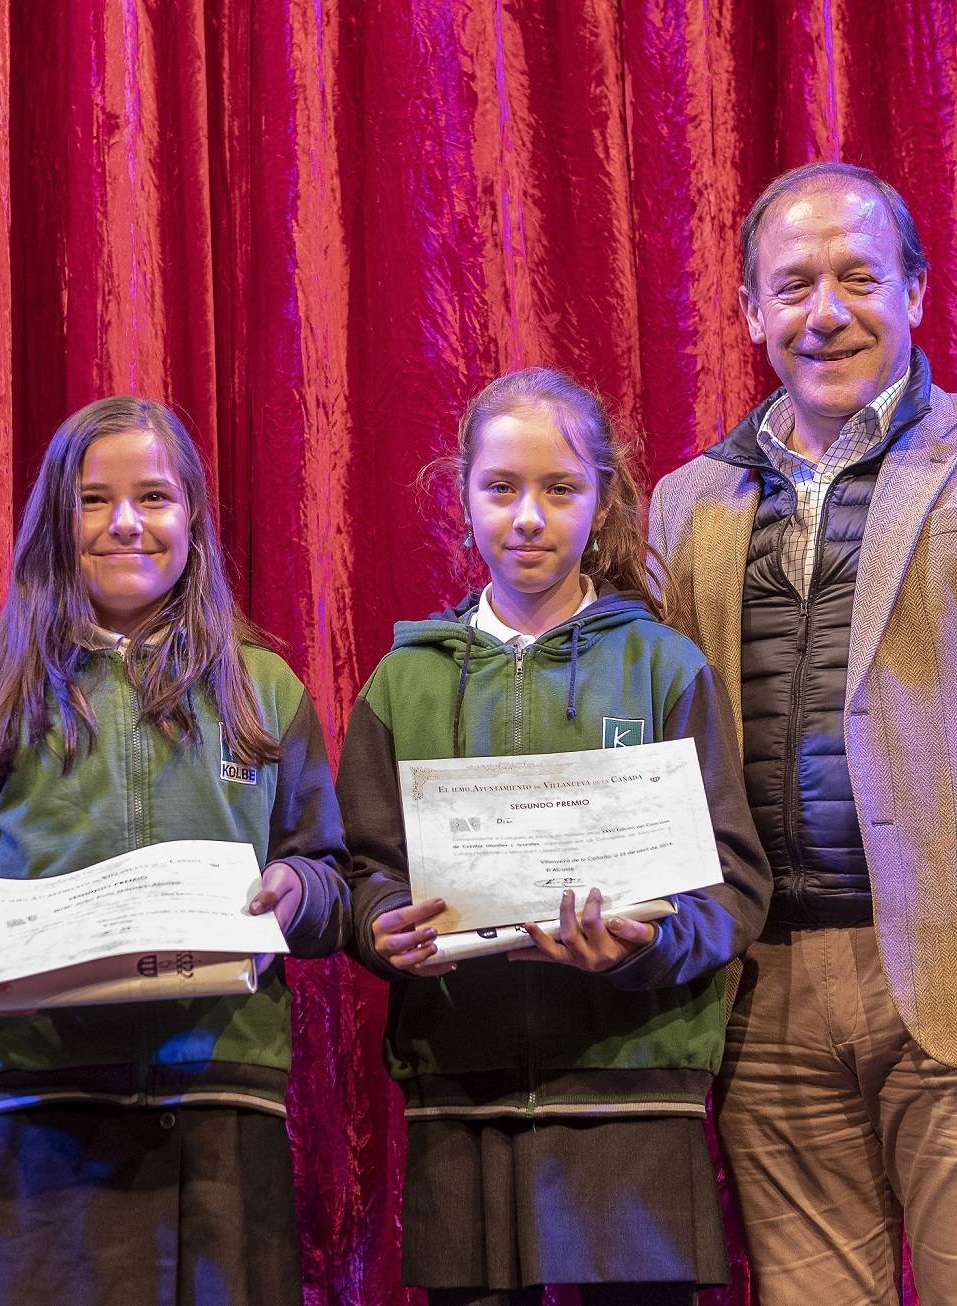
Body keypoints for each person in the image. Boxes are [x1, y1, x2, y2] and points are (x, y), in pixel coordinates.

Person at [648, 161, 957, 1304]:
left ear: (917, 291)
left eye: (859, 277)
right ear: (751, 312)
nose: (825, 312)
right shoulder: (688, 501)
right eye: (793, 286)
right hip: (763, 1002)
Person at [0, 395, 349, 1306]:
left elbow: (330, 882)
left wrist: (297, 889)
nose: (125, 522)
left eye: (154, 497)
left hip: (217, 1101)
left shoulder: (264, 689)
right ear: (55, 523)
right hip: (30, 1110)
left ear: (194, 518)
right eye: (93, 500)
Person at [337, 367, 770, 1306]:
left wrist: (646, 945)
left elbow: (732, 883)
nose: (528, 517)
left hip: (634, 1084)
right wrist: (381, 928)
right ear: (461, 497)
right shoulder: (404, 682)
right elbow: (363, 869)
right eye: (501, 488)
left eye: (560, 489)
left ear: (603, 501)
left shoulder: (663, 668)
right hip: (465, 1086)